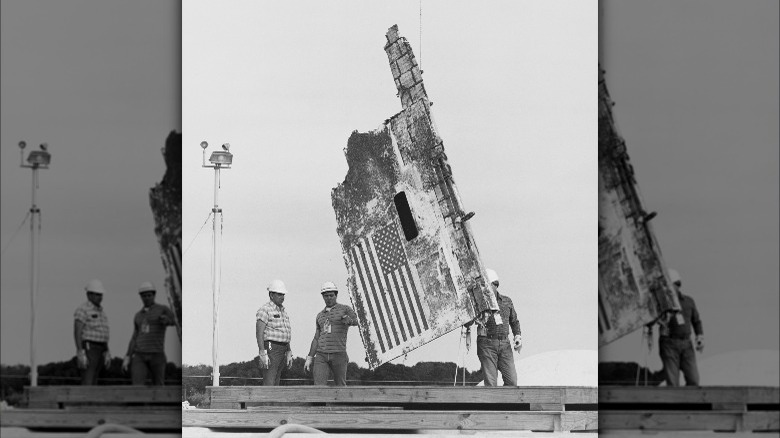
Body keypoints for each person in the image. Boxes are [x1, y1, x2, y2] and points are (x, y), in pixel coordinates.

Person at [468, 268, 522, 386]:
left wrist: (517, 336)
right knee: (491, 384)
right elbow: (468, 321)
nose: (483, 288)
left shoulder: (507, 301)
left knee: (512, 381)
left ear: (495, 285)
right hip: (486, 344)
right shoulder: (478, 302)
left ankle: (506, 404)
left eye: (486, 285)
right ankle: (494, 404)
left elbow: (514, 321)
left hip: (504, 344)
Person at [304, 282, 358, 386]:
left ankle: (342, 402)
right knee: (319, 387)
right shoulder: (320, 315)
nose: (329, 298)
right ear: (323, 297)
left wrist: (349, 320)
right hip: (321, 355)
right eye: (326, 296)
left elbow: (357, 321)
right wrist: (310, 357)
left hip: (339, 353)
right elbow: (316, 338)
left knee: (340, 386)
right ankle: (319, 403)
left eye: (331, 295)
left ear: (336, 295)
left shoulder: (345, 309)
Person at [122, 281, 175, 385]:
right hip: (139, 354)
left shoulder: (162, 309)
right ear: (141, 297)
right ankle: (138, 401)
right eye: (144, 296)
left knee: (158, 385)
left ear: (154, 295)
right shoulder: (138, 315)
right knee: (137, 385)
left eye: (149, 295)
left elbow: (175, 320)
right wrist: (127, 356)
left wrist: (166, 320)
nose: (147, 298)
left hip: (157, 353)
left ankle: (158, 401)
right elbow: (134, 337)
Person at [658, 268, 703, 386]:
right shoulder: (660, 302)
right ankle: (676, 405)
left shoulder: (688, 302)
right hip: (669, 344)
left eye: (669, 284)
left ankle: (690, 404)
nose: (666, 288)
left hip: (686, 344)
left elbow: (696, 321)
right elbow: (651, 319)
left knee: (694, 380)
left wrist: (700, 336)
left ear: (677, 285)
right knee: (673, 384)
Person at [73, 279, 112, 385]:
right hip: (90, 346)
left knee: (95, 378)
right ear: (89, 295)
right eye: (97, 294)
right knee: (88, 378)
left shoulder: (101, 312)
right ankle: (85, 401)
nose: (100, 297)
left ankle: (92, 401)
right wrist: (80, 351)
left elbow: (103, 332)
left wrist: (107, 350)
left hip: (101, 347)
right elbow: (77, 331)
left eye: (101, 295)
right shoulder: (83, 309)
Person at [256, 279, 293, 386]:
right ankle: (267, 403)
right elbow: (259, 332)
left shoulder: (283, 312)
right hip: (272, 347)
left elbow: (285, 332)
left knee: (277, 381)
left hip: (283, 348)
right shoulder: (265, 310)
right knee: (270, 380)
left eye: (283, 294)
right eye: (279, 294)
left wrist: (289, 350)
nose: (282, 297)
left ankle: (273, 403)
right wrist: (262, 351)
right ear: (271, 295)